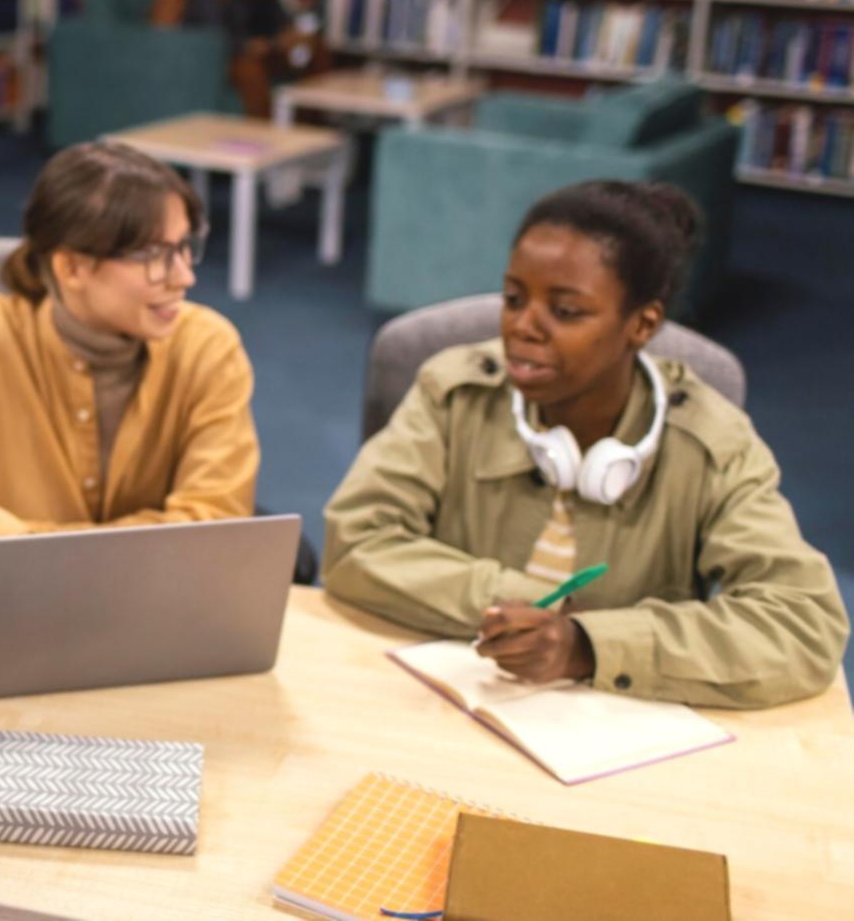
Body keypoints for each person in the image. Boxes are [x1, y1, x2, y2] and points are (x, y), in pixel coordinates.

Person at [321, 180, 848, 709]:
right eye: (513, 298)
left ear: (642, 324)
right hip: (449, 696)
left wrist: (589, 646)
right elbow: (356, 543)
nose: (522, 327)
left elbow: (803, 622)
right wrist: (518, 604)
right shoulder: (454, 392)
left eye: (566, 311)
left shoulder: (712, 442)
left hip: (617, 727)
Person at [0, 142, 259, 596]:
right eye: (154, 255)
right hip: (18, 612)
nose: (184, 276)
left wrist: (19, 549)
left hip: (157, 604)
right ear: (71, 267)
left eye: (185, 247)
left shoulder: (209, 347)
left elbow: (213, 522)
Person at [183, 0, 328, 118]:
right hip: (226, 60)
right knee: (249, 69)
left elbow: (282, 24)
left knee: (316, 48)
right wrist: (261, 45)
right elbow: (215, 40)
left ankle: (311, 123)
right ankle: (262, 134)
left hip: (264, 53)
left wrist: (294, 36)